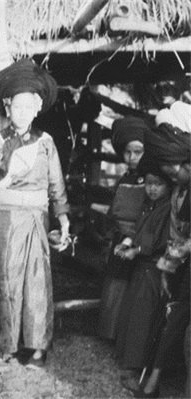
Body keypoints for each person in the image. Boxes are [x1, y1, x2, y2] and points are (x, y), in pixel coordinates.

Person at [0, 59, 70, 368]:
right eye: (17, 107)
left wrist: (64, 219)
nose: (23, 113)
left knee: (36, 281)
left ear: (38, 108)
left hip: (36, 220)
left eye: (29, 108)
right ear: (7, 107)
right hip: (5, 220)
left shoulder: (46, 143)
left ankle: (38, 348)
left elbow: (56, 183)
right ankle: (7, 346)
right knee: (7, 278)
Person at [122, 119, 190, 398]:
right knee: (173, 319)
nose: (172, 176)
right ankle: (152, 383)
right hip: (186, 266)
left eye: (173, 171)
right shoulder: (179, 192)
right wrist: (168, 268)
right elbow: (177, 234)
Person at [114, 155, 172, 378]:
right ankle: (127, 356)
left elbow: (157, 240)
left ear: (167, 186)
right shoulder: (149, 206)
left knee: (144, 315)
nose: (152, 189)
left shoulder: (167, 209)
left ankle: (137, 362)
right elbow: (139, 229)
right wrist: (126, 242)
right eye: (148, 184)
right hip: (141, 268)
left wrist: (136, 251)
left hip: (154, 268)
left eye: (158, 184)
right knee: (132, 310)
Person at [98, 117, 148, 340]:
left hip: (138, 239)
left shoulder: (151, 181)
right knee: (114, 285)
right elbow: (114, 210)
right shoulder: (124, 178)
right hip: (119, 238)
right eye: (128, 152)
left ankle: (126, 336)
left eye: (138, 152)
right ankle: (110, 332)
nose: (132, 158)